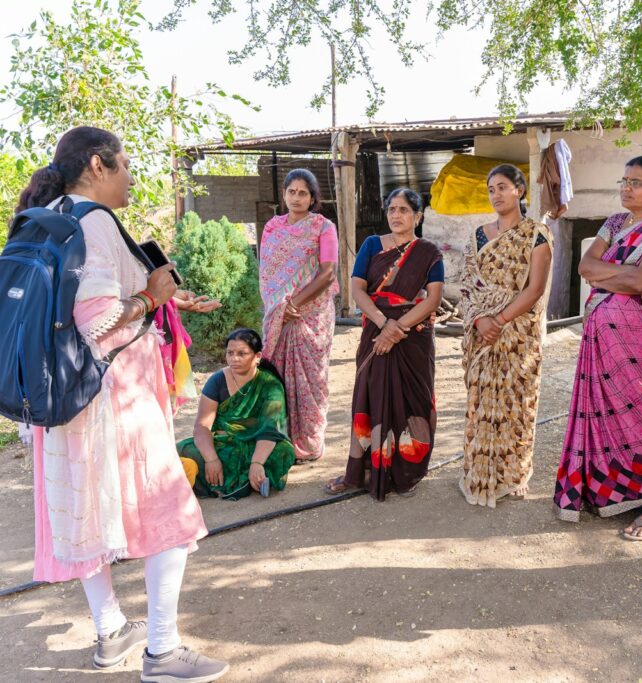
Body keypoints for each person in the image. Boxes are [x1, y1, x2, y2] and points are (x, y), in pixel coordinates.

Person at [20, 126, 227, 681]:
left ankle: (111, 631)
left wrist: (171, 299)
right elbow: (101, 322)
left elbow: (80, 302)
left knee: (87, 516)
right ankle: (161, 650)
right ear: (98, 164)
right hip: (114, 402)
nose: (133, 176)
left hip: (63, 400)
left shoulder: (49, 218)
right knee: (171, 517)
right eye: (127, 163)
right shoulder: (93, 222)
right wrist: (149, 297)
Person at [553, 156, 642, 541]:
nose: (626, 188)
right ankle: (602, 490)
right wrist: (628, 277)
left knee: (641, 414)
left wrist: (625, 277)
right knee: (600, 412)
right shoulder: (614, 223)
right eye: (624, 180)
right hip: (600, 334)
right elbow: (585, 267)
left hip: (639, 335)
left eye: (637, 182)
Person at [325, 188, 444, 499]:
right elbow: (357, 289)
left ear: (418, 216)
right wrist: (383, 324)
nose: (396, 215)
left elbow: (433, 298)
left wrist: (397, 328)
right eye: (392, 209)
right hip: (375, 333)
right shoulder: (371, 245)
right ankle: (358, 472)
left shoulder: (429, 252)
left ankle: (406, 472)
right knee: (367, 397)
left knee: (413, 400)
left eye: (404, 210)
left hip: (413, 338)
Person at [459, 164, 553, 508]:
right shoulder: (478, 236)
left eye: (502, 187)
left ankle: (513, 474)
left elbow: (535, 289)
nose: (496, 194)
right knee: (480, 404)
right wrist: (481, 320)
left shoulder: (536, 234)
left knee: (516, 404)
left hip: (517, 334)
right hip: (481, 333)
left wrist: (498, 319)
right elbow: (467, 282)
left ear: (520, 191)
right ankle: (478, 472)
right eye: (491, 190)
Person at [259, 168, 339, 462]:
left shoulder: (323, 227)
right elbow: (266, 274)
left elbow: (328, 273)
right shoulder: (272, 227)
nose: (296, 197)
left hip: (311, 314)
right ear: (283, 194)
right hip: (280, 314)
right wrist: (279, 306)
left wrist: (295, 303)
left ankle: (309, 441)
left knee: (312, 379)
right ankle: (279, 439)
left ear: (312, 197)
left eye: (302, 192)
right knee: (278, 375)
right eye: (291, 191)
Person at [178, 328, 296, 500]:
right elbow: (202, 426)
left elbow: (270, 430)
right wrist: (211, 459)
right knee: (186, 450)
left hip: (258, 444)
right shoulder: (217, 380)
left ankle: (247, 474)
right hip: (223, 443)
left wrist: (257, 463)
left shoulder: (270, 385)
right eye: (230, 353)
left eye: (242, 353)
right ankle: (246, 479)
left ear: (257, 357)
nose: (234, 359)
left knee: (283, 452)